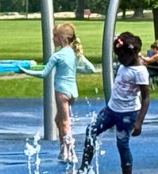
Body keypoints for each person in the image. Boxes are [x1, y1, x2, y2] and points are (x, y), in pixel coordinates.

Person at [81, 32, 151, 174]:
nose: (120, 59)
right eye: (117, 55)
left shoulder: (140, 71)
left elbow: (146, 97)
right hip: (112, 109)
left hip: (127, 114)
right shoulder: (124, 65)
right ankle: (83, 170)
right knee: (91, 130)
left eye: (122, 56)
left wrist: (139, 121)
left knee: (122, 145)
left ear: (133, 53)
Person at [21, 22, 99, 162]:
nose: (53, 39)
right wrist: (74, 70)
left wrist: (25, 71)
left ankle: (71, 152)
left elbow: (44, 73)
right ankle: (63, 148)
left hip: (62, 92)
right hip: (72, 92)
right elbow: (91, 69)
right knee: (58, 120)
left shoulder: (58, 55)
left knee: (65, 122)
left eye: (55, 36)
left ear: (62, 37)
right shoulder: (75, 53)